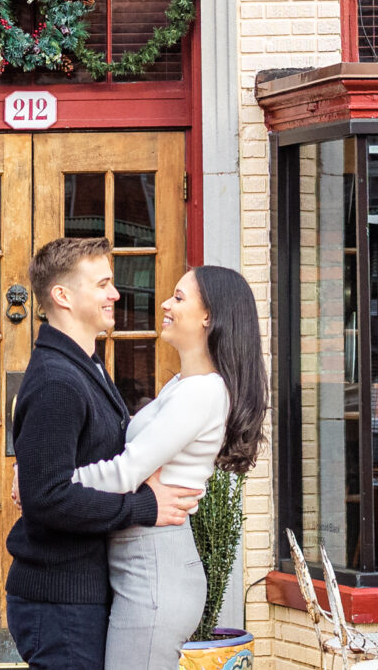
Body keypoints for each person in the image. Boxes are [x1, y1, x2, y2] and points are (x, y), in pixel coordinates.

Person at [6, 237, 202, 670]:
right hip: (59, 602)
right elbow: (48, 498)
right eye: (102, 284)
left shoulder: (86, 365)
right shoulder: (57, 380)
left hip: (80, 593)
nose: (115, 294)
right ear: (62, 296)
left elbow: (70, 469)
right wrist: (143, 507)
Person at [72, 265, 268, 670]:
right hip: (146, 564)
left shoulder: (202, 392)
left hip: (154, 569)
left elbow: (126, 473)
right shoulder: (183, 385)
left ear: (208, 316)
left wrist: (54, 482)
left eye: (179, 298)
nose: (165, 303)